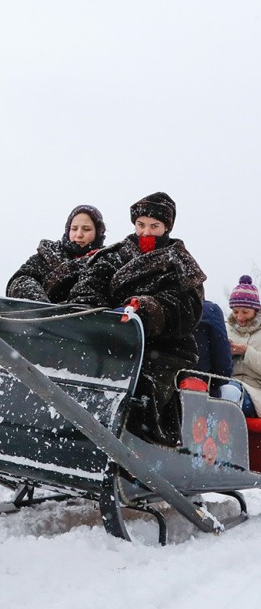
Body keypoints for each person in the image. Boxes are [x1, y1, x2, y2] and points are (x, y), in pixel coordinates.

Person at [69, 191, 205, 446]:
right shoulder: (115, 255)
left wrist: (149, 309)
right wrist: (94, 309)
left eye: (154, 226)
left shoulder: (182, 263)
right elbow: (89, 285)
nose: (146, 232)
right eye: (141, 225)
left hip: (165, 347)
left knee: (141, 387)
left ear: (166, 227)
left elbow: (188, 310)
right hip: (112, 337)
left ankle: (140, 447)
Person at [6, 204, 106, 304]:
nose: (79, 234)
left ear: (98, 232)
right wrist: (40, 304)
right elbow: (19, 281)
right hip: (39, 316)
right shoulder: (49, 254)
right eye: (74, 229)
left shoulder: (106, 260)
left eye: (86, 229)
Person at [226, 276, 261, 417]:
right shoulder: (225, 329)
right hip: (227, 382)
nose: (239, 317)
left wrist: (246, 351)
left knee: (229, 393)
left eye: (245, 312)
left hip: (255, 392)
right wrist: (224, 353)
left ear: (256, 310)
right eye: (235, 312)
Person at [195, 300, 233, 392]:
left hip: (162, 386)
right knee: (233, 392)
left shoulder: (160, 309)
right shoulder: (210, 312)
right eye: (235, 311)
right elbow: (223, 368)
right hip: (197, 385)